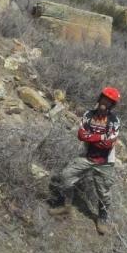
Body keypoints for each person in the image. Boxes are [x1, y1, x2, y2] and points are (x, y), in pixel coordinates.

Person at [48, 87, 121, 235]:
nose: (105, 103)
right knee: (66, 176)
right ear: (100, 98)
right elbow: (81, 135)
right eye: (104, 99)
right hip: (87, 156)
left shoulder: (114, 121)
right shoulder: (88, 115)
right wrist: (101, 137)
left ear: (112, 105)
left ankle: (102, 218)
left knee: (104, 193)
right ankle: (67, 205)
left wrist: (92, 137)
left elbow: (108, 144)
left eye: (109, 101)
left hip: (105, 161)